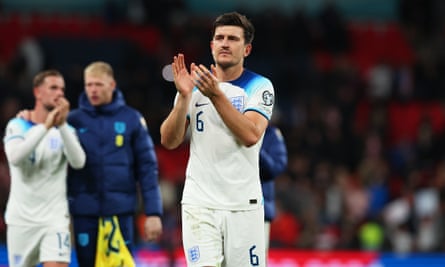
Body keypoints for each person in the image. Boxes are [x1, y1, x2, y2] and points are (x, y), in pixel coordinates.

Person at [160, 12, 275, 267]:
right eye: (219, 38)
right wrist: (183, 99)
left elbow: (250, 135)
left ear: (246, 49)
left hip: (243, 205)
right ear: (211, 46)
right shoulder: (194, 86)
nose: (225, 43)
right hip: (199, 203)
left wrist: (216, 95)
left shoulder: (260, 86)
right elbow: (169, 140)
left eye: (233, 39)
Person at [66, 61, 163, 266]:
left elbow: (147, 169)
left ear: (112, 85)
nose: (93, 90)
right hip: (84, 212)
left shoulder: (132, 119)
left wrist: (153, 213)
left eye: (98, 84)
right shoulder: (72, 121)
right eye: (89, 84)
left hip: (120, 213)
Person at [3, 70, 86, 267]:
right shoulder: (17, 125)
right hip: (21, 221)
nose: (59, 93)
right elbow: (15, 157)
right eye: (53, 88)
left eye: (62, 89)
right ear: (38, 92)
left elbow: (78, 162)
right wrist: (45, 127)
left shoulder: (66, 131)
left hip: (55, 220)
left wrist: (62, 124)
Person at [260, 124, 288, 251]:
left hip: (260, 210)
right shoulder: (223, 130)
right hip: (224, 205)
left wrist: (254, 148)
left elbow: (277, 167)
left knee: (256, 261)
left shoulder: (271, 134)